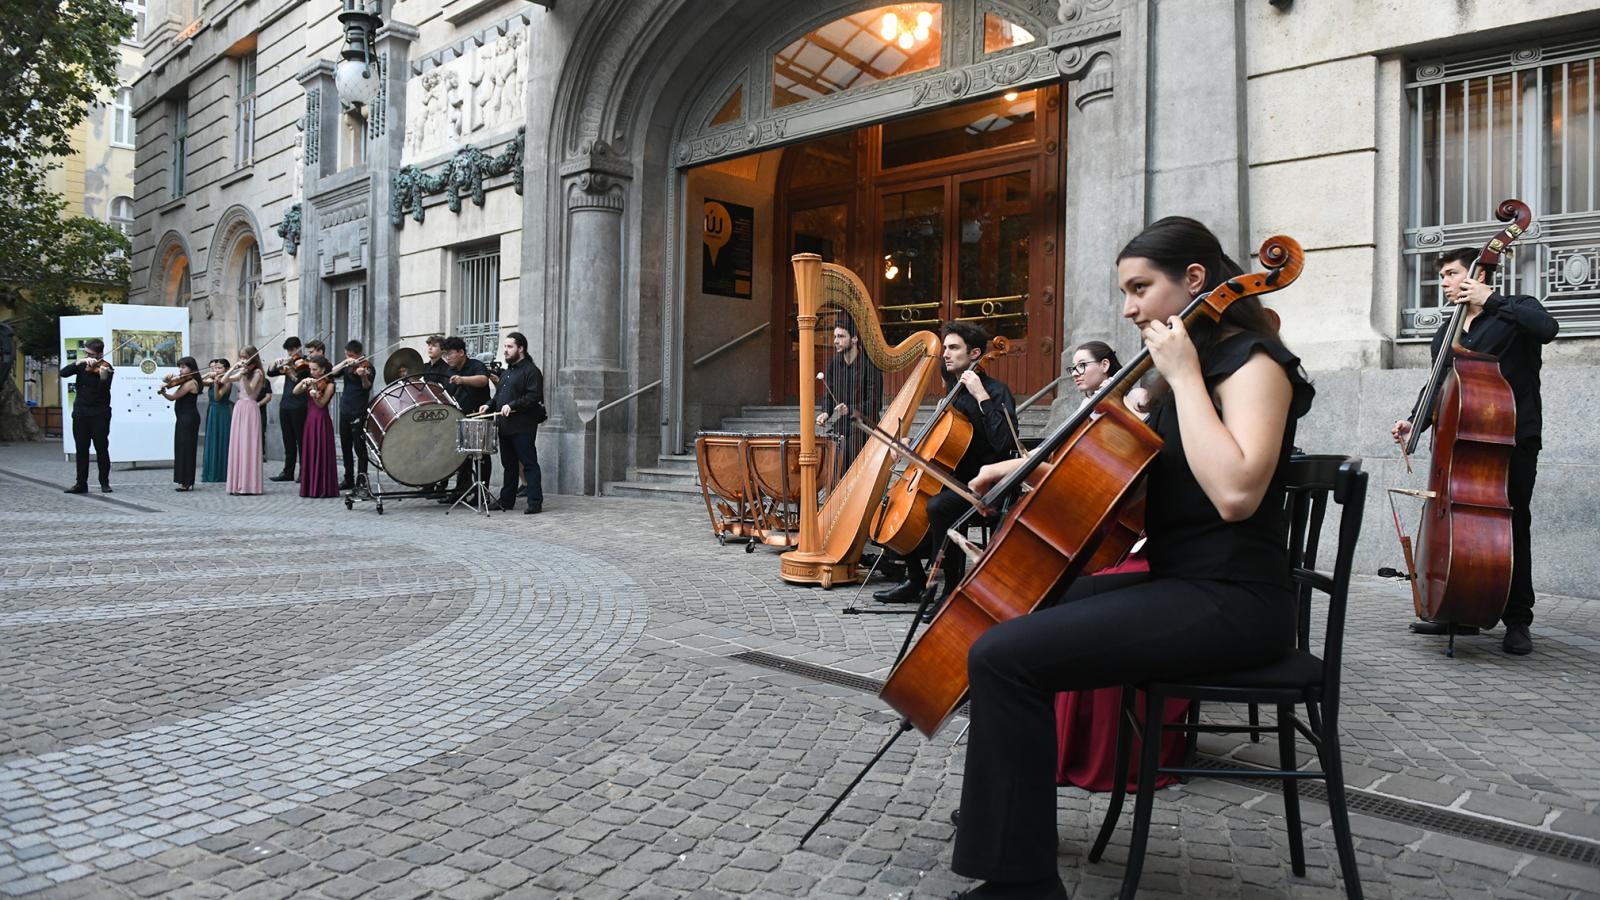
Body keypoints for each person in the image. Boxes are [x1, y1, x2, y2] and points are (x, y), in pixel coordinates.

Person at [947, 217, 1314, 898]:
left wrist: (1184, 376)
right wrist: (1024, 468)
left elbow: (1236, 493)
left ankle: (1022, 884)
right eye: (1126, 292)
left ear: (1194, 280)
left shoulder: (1255, 364)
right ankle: (1011, 814)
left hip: (1234, 601)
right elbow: (1126, 473)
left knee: (1003, 657)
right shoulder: (1185, 371)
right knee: (1021, 610)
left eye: (1140, 288)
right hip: (1181, 581)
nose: (1128, 308)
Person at [1391, 247, 1558, 656]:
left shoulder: (1516, 310)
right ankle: (1459, 607)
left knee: (1511, 524)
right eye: (1443, 276)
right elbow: (1439, 383)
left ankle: (1518, 620)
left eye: (1451, 274)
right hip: (1461, 443)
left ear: (1477, 275)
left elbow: (1548, 328)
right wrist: (1415, 421)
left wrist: (1492, 301)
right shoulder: (1447, 330)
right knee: (1458, 524)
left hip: (1510, 440)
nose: (1444, 282)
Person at [872, 321, 1018, 607]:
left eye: (953, 348)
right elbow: (941, 445)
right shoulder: (953, 393)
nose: (946, 354)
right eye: (945, 348)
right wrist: (910, 445)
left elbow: (1005, 443)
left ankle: (951, 588)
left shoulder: (996, 391)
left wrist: (982, 396)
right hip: (951, 477)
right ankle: (915, 580)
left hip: (984, 484)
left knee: (939, 506)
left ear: (975, 353)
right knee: (897, 506)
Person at [481, 332, 545, 514]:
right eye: (505, 347)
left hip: (523, 426)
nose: (505, 350)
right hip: (505, 426)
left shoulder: (531, 371)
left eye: (510, 347)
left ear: (521, 348)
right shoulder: (508, 372)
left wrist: (513, 405)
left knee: (529, 464)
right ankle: (506, 500)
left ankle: (535, 502)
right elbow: (499, 396)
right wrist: (488, 404)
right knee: (509, 466)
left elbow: (533, 396)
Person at [814, 315, 882, 470]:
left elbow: (875, 403)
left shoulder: (870, 365)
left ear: (854, 339)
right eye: (835, 336)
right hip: (845, 424)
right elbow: (829, 395)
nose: (835, 341)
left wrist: (849, 409)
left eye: (841, 336)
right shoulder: (834, 365)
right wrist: (825, 412)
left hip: (866, 425)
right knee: (829, 448)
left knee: (849, 448)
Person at [441, 336, 494, 504]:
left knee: (481, 456)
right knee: (462, 456)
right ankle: (461, 490)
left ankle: (482, 493)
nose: (447, 358)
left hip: (479, 415)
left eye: (450, 354)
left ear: (461, 353)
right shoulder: (449, 371)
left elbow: (483, 380)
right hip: (460, 417)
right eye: (445, 355)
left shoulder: (476, 365)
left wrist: (462, 379)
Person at [62, 339, 115, 494]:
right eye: (86, 353)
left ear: (100, 354)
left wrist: (103, 378)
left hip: (99, 413)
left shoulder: (106, 368)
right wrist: (78, 362)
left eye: (90, 354)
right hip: (80, 412)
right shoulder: (82, 365)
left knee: (101, 448)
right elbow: (63, 373)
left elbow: (103, 392)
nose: (87, 356)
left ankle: (104, 482)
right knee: (81, 448)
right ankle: (81, 483)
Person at [294, 356, 341, 498]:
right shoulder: (311, 380)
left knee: (321, 452)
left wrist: (314, 394)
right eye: (310, 369)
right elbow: (295, 392)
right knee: (311, 451)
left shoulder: (330, 385)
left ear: (323, 370)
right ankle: (310, 487)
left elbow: (321, 404)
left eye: (314, 369)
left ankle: (323, 488)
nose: (312, 372)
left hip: (321, 420)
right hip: (310, 420)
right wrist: (303, 382)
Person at [266, 336, 310, 482]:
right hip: (285, 405)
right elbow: (270, 373)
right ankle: (288, 472)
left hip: (299, 406)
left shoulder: (305, 364)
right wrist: (275, 364)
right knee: (288, 440)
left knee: (301, 440)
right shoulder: (289, 363)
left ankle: (304, 472)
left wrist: (289, 372)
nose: (290, 354)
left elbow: (300, 380)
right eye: (288, 351)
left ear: (299, 348)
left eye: (292, 350)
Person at [224, 347, 267, 495]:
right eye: (240, 357)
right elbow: (223, 380)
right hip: (240, 407)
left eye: (245, 357)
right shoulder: (244, 371)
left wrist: (242, 375)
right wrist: (233, 368)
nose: (242, 359)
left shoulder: (257, 372)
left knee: (248, 445)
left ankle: (248, 485)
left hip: (250, 408)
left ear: (252, 358)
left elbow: (250, 390)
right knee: (238, 444)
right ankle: (236, 483)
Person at [158, 356, 203, 491]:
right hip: (183, 417)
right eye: (180, 367)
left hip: (188, 418)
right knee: (182, 447)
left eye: (183, 367)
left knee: (186, 449)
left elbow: (173, 397)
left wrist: (164, 392)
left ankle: (187, 482)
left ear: (191, 368)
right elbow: (171, 385)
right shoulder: (185, 380)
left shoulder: (191, 383)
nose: (180, 370)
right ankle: (184, 480)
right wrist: (166, 381)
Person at [336, 340, 374, 490]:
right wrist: (344, 362)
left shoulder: (368, 367)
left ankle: (362, 479)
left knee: (359, 448)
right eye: (346, 355)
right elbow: (332, 373)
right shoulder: (347, 366)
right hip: (345, 410)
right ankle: (348, 479)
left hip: (359, 410)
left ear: (358, 354)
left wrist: (363, 376)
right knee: (345, 447)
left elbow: (367, 386)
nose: (348, 357)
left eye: (350, 355)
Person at [201, 358, 234, 484]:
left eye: (219, 368)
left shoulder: (227, 382)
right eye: (215, 368)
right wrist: (207, 374)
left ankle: (222, 473)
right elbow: (199, 382)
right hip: (212, 412)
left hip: (222, 412)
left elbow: (217, 397)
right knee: (212, 440)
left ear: (226, 369)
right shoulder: (213, 378)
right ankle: (211, 471)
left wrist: (215, 384)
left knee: (221, 440)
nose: (216, 370)